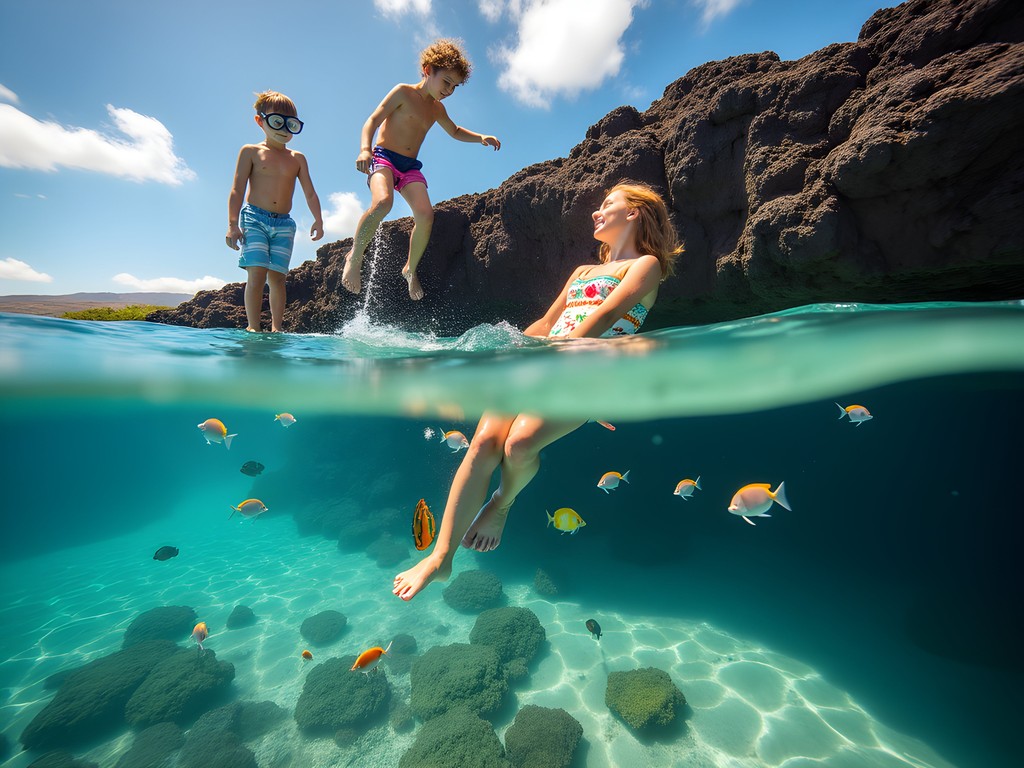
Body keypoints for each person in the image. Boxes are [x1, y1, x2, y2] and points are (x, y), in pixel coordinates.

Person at [393, 181, 683, 601]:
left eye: (607, 205)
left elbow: (605, 314)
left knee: (520, 444)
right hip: (544, 361)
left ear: (634, 213)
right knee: (483, 445)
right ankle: (440, 558)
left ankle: (502, 504)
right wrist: (508, 353)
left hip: (584, 374)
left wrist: (556, 358)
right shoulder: (582, 273)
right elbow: (546, 325)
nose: (595, 213)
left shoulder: (644, 266)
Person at [341, 39, 501, 301]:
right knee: (383, 203)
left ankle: (409, 268)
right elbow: (372, 120)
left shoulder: (437, 108)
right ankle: (355, 256)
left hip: (409, 168)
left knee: (426, 215)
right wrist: (364, 149)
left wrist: (480, 136)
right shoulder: (403, 93)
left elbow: (455, 131)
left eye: (455, 86)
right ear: (428, 70)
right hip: (384, 159)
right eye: (446, 82)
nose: (449, 90)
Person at [226, 91, 324, 332]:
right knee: (257, 273)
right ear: (260, 121)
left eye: (291, 124)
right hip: (255, 218)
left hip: (284, 224)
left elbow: (310, 192)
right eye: (277, 122)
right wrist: (232, 225)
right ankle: (253, 327)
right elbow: (237, 189)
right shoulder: (250, 151)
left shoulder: (297, 158)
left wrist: (318, 219)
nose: (284, 130)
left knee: (278, 278)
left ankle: (277, 328)